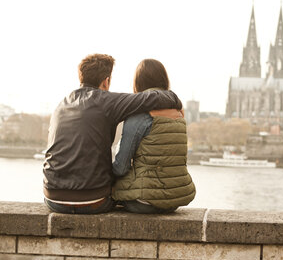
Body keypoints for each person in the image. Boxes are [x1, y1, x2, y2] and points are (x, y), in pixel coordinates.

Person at [43, 54, 182, 214]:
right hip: (93, 200)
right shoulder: (107, 101)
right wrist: (175, 100)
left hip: (52, 198)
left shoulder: (61, 105)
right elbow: (153, 98)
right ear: (106, 81)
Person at [112, 59, 195, 213]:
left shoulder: (140, 116)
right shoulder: (179, 114)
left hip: (145, 201)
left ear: (137, 83)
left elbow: (121, 167)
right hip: (175, 199)